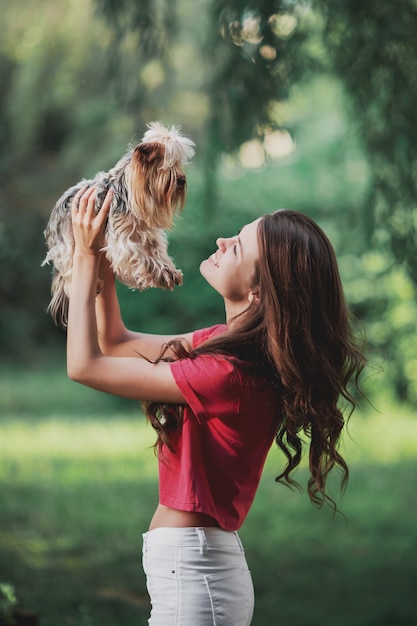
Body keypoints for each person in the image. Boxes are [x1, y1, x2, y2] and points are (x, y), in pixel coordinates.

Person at [67, 186, 366, 625]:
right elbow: (114, 342)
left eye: (239, 245)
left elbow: (86, 366)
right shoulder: (223, 349)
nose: (224, 242)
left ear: (261, 291)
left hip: (196, 577)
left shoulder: (229, 375)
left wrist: (84, 257)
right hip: (194, 572)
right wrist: (108, 247)